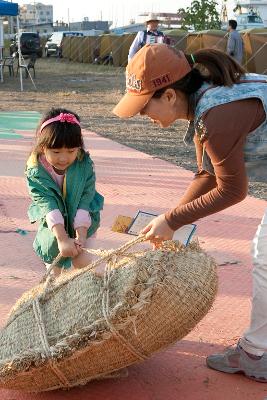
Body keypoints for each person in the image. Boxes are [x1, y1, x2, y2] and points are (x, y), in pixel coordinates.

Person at [113, 43, 267, 382]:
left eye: (143, 108)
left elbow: (232, 190)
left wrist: (172, 221)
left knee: (265, 255)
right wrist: (171, 221)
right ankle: (258, 349)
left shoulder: (217, 115)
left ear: (169, 95)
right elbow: (207, 175)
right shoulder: (205, 105)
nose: (144, 117)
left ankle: (257, 353)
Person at [25, 108, 104, 276]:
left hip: (83, 218)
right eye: (56, 152)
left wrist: (81, 235)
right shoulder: (35, 171)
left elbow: (86, 198)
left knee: (83, 263)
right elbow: (48, 204)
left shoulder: (84, 164)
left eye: (71, 151)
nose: (63, 158)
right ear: (42, 146)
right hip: (53, 223)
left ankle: (85, 291)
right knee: (54, 271)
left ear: (79, 147)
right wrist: (61, 238)